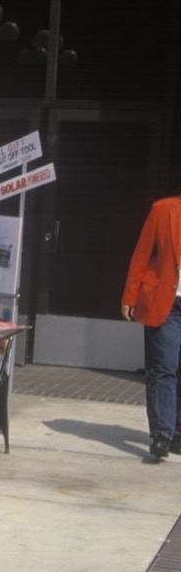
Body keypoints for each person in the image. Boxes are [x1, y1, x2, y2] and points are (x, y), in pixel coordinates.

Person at [122, 194, 181, 459]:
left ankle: (177, 433)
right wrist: (130, 296)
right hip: (166, 303)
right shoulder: (163, 209)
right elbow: (142, 254)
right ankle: (161, 434)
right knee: (163, 368)